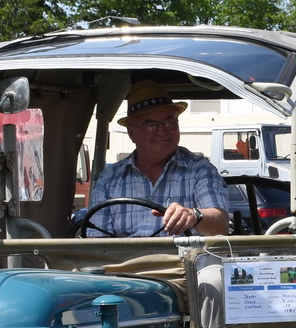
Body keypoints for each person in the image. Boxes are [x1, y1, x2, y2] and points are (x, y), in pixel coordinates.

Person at [84, 83, 229, 237]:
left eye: (169, 121)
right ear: (132, 133)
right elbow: (96, 241)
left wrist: (193, 216)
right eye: (151, 125)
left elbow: (220, 227)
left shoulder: (200, 169)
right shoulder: (109, 178)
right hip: (126, 261)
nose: (162, 130)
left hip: (183, 260)